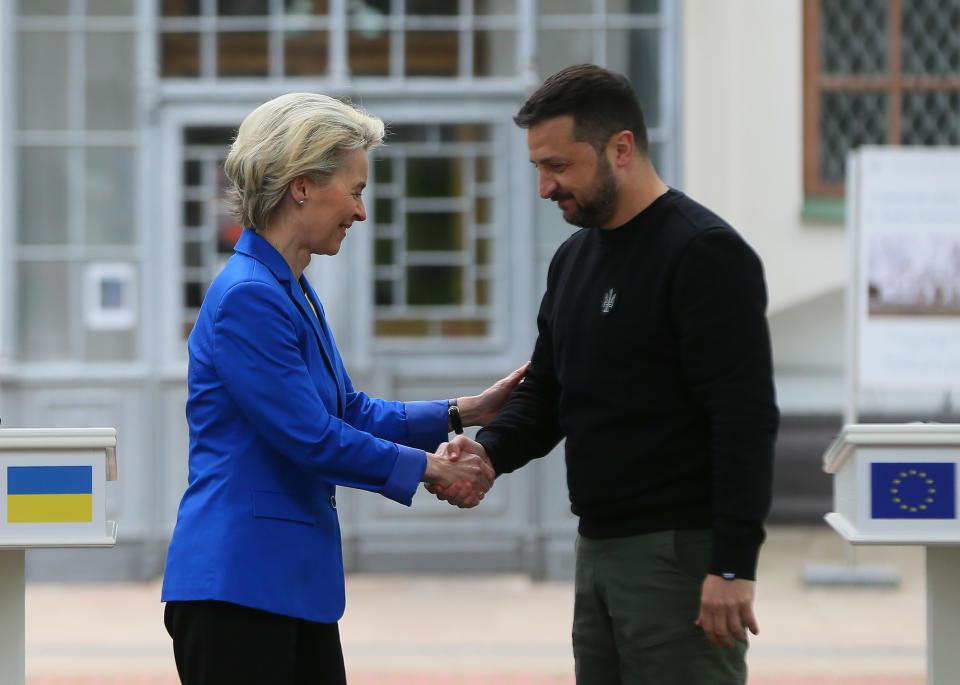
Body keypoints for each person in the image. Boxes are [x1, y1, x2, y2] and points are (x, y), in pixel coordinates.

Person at [161, 92, 522, 685]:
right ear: (301, 186)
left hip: (283, 585)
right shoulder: (252, 295)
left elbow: (346, 410)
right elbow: (310, 437)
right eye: (354, 191)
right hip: (240, 586)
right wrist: (433, 469)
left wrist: (464, 411)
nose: (360, 213)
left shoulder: (288, 287)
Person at [434, 64, 779, 684]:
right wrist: (488, 455)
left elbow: (745, 419)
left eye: (558, 165)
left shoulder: (703, 254)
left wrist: (733, 565)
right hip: (596, 549)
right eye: (538, 166)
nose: (544, 186)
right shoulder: (572, 259)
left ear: (621, 148)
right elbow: (548, 390)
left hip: (678, 556)